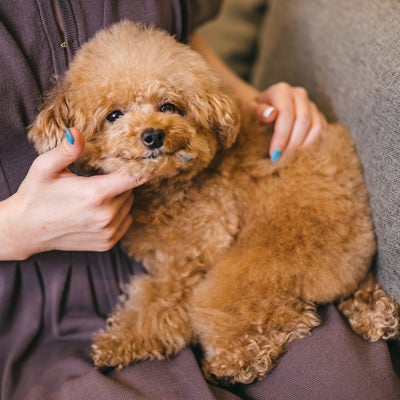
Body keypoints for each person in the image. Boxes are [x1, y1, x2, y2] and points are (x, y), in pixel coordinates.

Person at [0, 1, 398, 399]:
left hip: (247, 241)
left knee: (354, 387)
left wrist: (258, 105)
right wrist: (17, 227)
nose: (150, 128)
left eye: (166, 107)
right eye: (115, 115)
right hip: (31, 299)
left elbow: (182, 44)